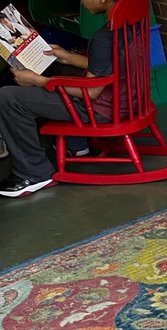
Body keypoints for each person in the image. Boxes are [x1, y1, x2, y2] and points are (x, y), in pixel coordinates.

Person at [0, 0, 117, 198]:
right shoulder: (127, 23)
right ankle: (75, 144)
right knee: (57, 66)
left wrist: (38, 80)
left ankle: (34, 172)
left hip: (99, 108)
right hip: (127, 99)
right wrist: (67, 57)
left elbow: (91, 92)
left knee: (8, 97)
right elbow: (108, 64)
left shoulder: (103, 38)